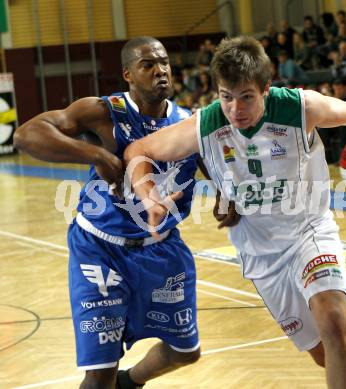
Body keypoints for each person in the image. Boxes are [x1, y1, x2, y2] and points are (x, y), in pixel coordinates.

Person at [124, 36, 346, 389]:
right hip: (260, 252)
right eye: (226, 96)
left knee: (334, 322)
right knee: (323, 352)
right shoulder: (206, 124)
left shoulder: (299, 107)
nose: (235, 109)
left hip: (310, 231)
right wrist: (148, 194)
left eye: (246, 96)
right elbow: (138, 150)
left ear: (266, 89)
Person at [13, 36, 238, 389]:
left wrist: (225, 194)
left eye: (164, 62)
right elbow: (27, 135)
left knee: (186, 350)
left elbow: (209, 160)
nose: (160, 70)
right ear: (128, 74)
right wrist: (97, 155)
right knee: (100, 373)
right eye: (147, 65)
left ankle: (131, 381)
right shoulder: (103, 112)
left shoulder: (188, 122)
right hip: (100, 249)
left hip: (160, 247)